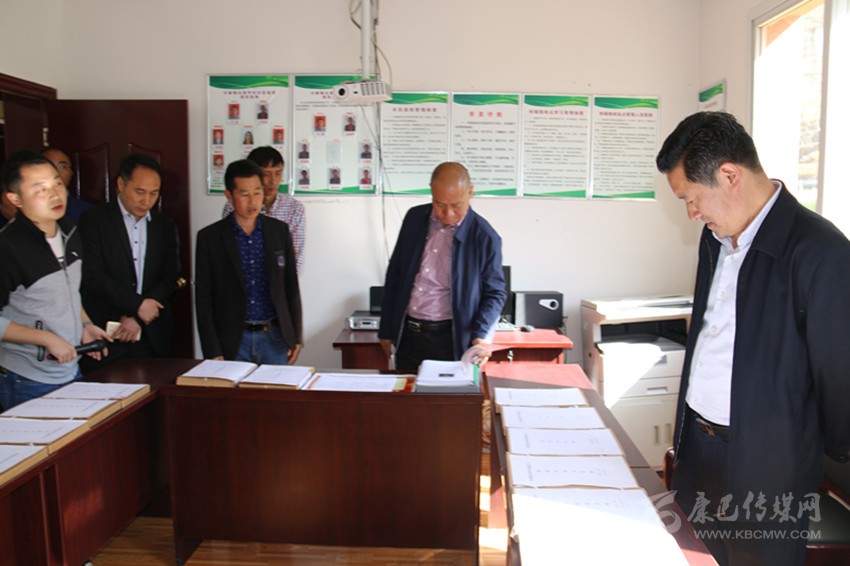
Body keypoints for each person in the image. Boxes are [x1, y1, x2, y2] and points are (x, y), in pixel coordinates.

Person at [656, 111, 850, 566]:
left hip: (768, 468)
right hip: (697, 452)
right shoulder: (714, 239)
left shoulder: (820, 252)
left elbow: (838, 373)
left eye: (692, 198)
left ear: (729, 175)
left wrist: (807, 453)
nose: (691, 214)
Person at [0, 151, 110, 410]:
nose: (55, 194)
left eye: (57, 183)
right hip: (27, 378)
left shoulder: (70, 232)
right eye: (41, 189)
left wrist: (85, 324)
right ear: (15, 199)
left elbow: (69, 291)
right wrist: (46, 338)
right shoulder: (8, 248)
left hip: (69, 370)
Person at [378, 162, 506, 371]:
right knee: (406, 390)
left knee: (447, 393)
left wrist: (482, 335)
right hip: (407, 335)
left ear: (470, 192)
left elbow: (495, 293)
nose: (447, 214)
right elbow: (395, 275)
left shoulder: (484, 237)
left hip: (451, 340)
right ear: (431, 191)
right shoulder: (414, 218)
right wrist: (386, 329)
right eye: (439, 204)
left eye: (456, 205)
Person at [77, 153, 180, 372]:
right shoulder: (93, 220)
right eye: (139, 192)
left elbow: (169, 277)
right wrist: (137, 305)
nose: (146, 201)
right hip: (106, 333)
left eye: (154, 193)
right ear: (121, 184)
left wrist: (138, 317)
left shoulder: (164, 226)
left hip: (150, 334)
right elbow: (93, 275)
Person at [196, 159, 302, 364]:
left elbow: (291, 287)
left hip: (274, 337)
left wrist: (295, 335)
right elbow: (203, 298)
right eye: (244, 194)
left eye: (257, 192)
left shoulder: (279, 231)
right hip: (233, 341)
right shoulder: (210, 237)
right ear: (229, 196)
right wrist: (212, 349)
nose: (253, 201)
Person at [222, 146, 306, 275]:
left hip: (278, 282)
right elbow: (230, 251)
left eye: (278, 173)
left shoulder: (295, 209)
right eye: (266, 174)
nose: (273, 181)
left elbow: (296, 258)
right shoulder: (234, 205)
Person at [41, 147, 93, 224]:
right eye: (49, 165)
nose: (56, 172)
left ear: (71, 174)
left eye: (62, 167)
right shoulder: (26, 208)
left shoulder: (88, 212)